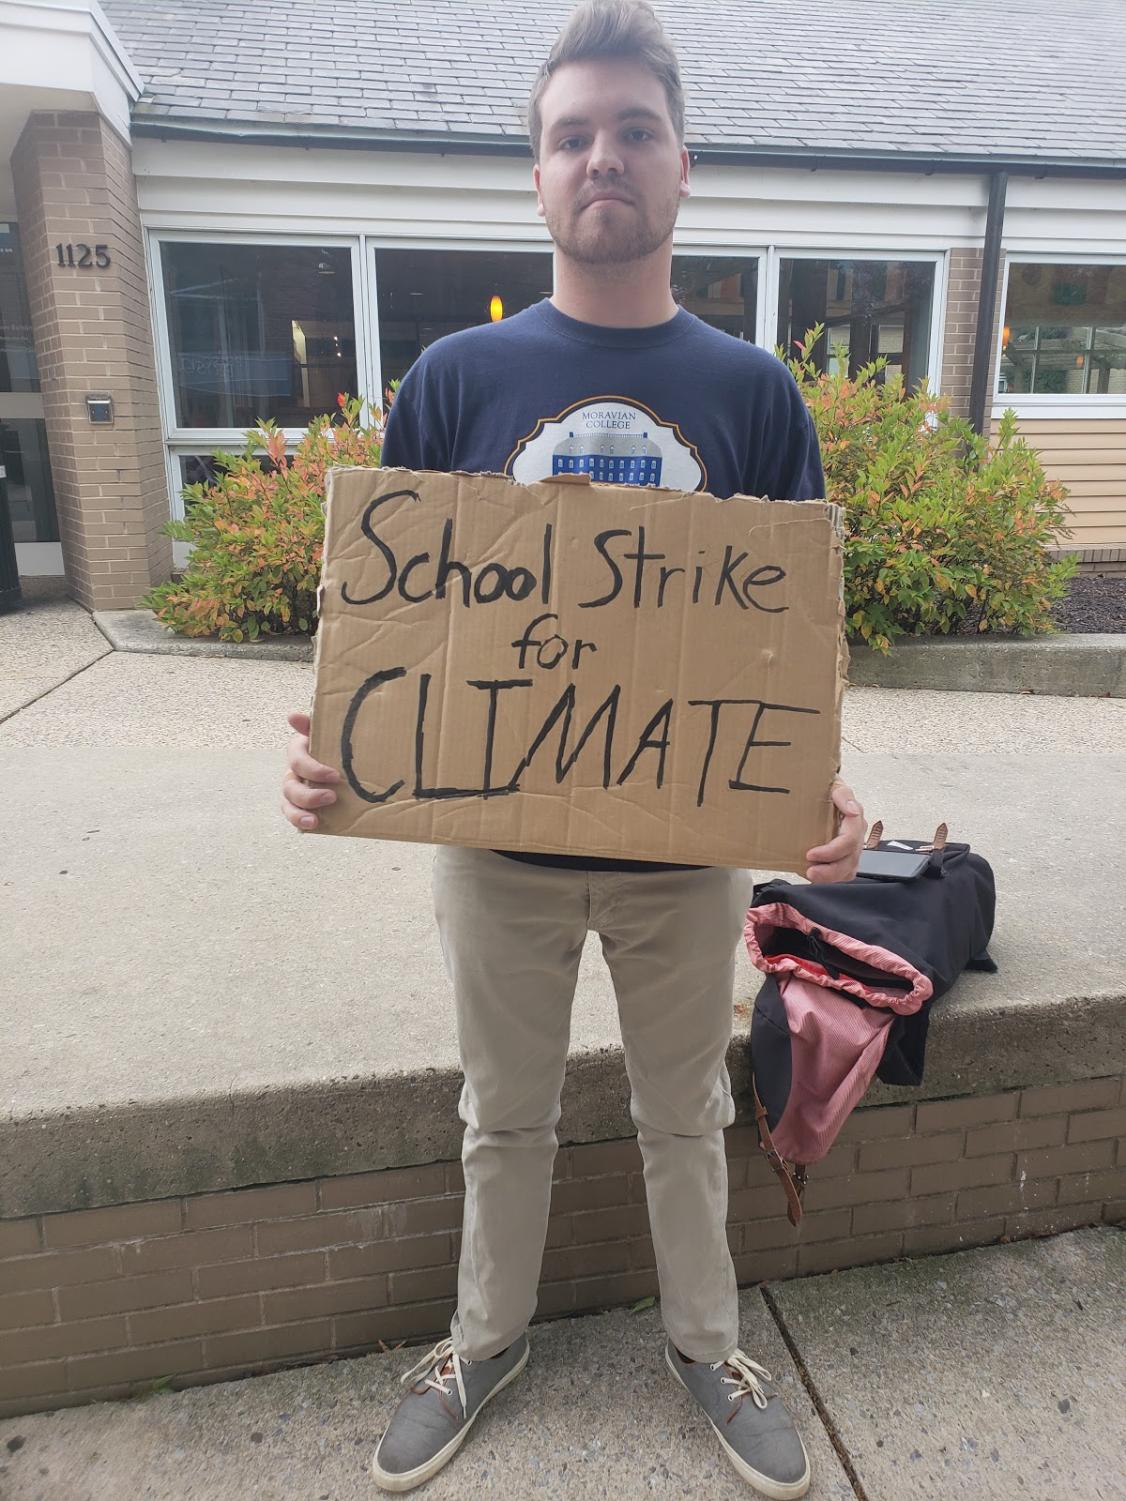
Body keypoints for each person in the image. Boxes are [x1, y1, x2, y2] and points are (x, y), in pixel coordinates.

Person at [282, 3, 865, 1494]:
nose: (600, 156)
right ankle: (484, 1340)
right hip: (498, 852)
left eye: (631, 130)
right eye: (569, 136)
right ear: (534, 178)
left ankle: (704, 1342)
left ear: (682, 168)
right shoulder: (451, 386)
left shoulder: (753, 394)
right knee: (502, 1113)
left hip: (681, 858)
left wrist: (817, 791)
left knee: (685, 1113)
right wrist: (335, 752)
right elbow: (388, 635)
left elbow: (777, 645)